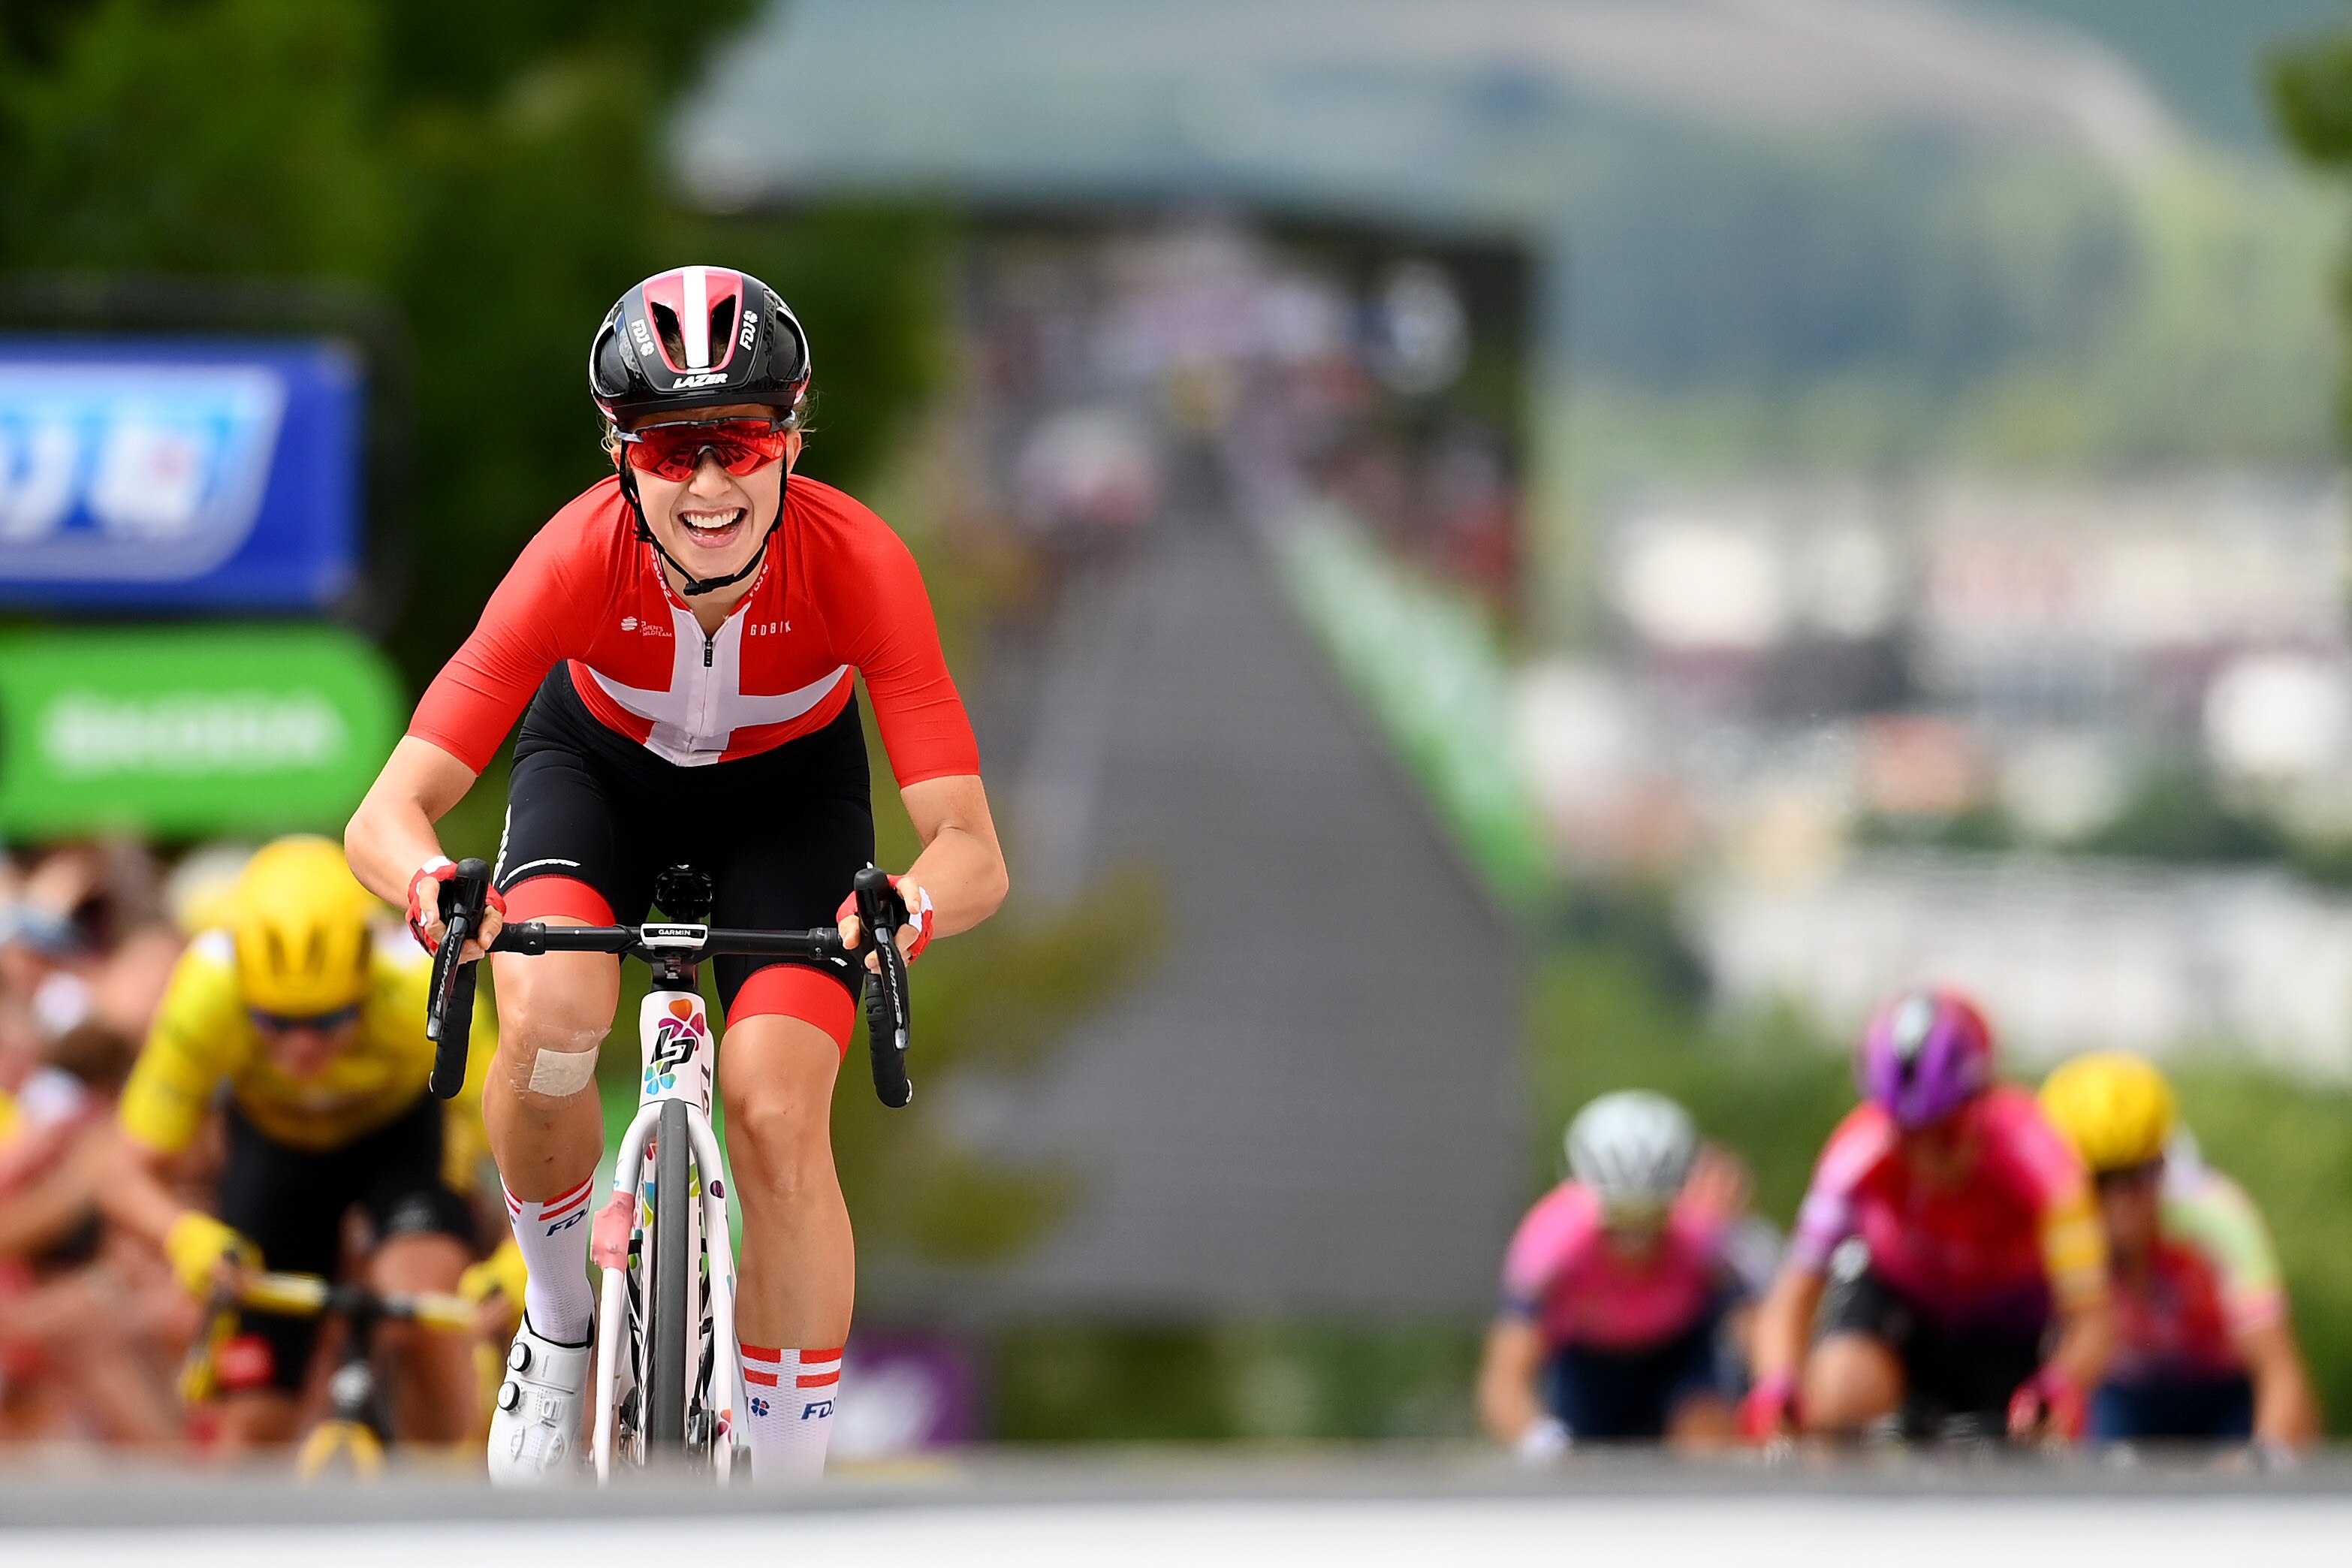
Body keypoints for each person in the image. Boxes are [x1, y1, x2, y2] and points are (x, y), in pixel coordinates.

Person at [343, 265, 1008, 1483]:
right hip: (597, 780)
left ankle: (790, 1479)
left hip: (789, 805)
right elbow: (387, 811)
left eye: (741, 440)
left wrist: (902, 908)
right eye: (669, 449)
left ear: (792, 436)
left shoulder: (858, 561)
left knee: (773, 1107)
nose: (708, 484)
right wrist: (431, 879)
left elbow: (971, 848)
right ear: (619, 456)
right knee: (546, 1024)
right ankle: (554, 1329)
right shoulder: (572, 558)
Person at [102, 837, 496, 1450]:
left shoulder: (419, 978)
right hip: (276, 1148)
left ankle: (447, 1488)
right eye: (276, 1023)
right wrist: (184, 1234)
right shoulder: (207, 991)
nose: (302, 1049)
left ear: (364, 980)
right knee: (254, 1428)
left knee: (418, 1302)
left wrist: (522, 1264)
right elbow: (123, 1171)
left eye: (329, 1020)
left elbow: (512, 1128)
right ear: (247, 995)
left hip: (401, 1135)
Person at [1744, 988, 2113, 1443]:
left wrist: (2062, 1386)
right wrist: (1778, 1385)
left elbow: (2093, 1317)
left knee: (2042, 1424)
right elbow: (1793, 1296)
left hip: (2011, 1326)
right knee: (1842, 1387)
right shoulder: (1856, 1155)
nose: (1925, 1159)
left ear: (1982, 1101)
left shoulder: (2044, 1162)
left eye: (1944, 1136)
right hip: (1907, 1308)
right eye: (1907, 1135)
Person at [2037, 1052, 2318, 1450]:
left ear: (2165, 1162)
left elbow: (2279, 1374)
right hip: (2126, 1394)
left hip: (2225, 1392)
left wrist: (2265, 1469)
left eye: (2139, 1175)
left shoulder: (2215, 1216)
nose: (2120, 1206)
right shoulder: (2053, 1228)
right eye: (2099, 1183)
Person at [1478, 1091, 1753, 1454]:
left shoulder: (1704, 1237)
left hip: (1681, 1359)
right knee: (1577, 1464)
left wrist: (1774, 1401)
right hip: (1587, 1368)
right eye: (1619, 1218)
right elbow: (1506, 1375)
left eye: (1651, 1218)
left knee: (1705, 1433)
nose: (1634, 1239)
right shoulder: (1550, 1245)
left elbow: (1755, 1331)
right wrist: (1537, 1439)